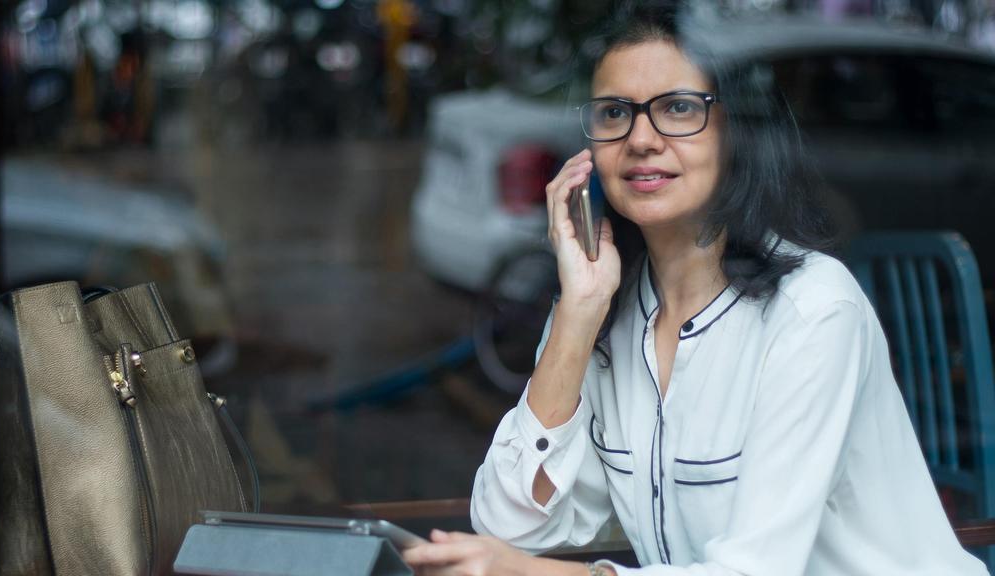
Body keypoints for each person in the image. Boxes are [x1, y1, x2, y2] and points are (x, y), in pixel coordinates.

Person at [403, 2, 989, 575]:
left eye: (679, 108)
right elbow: (508, 527)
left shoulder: (813, 311)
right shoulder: (612, 316)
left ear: (734, 131)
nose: (640, 139)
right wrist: (578, 311)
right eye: (614, 113)